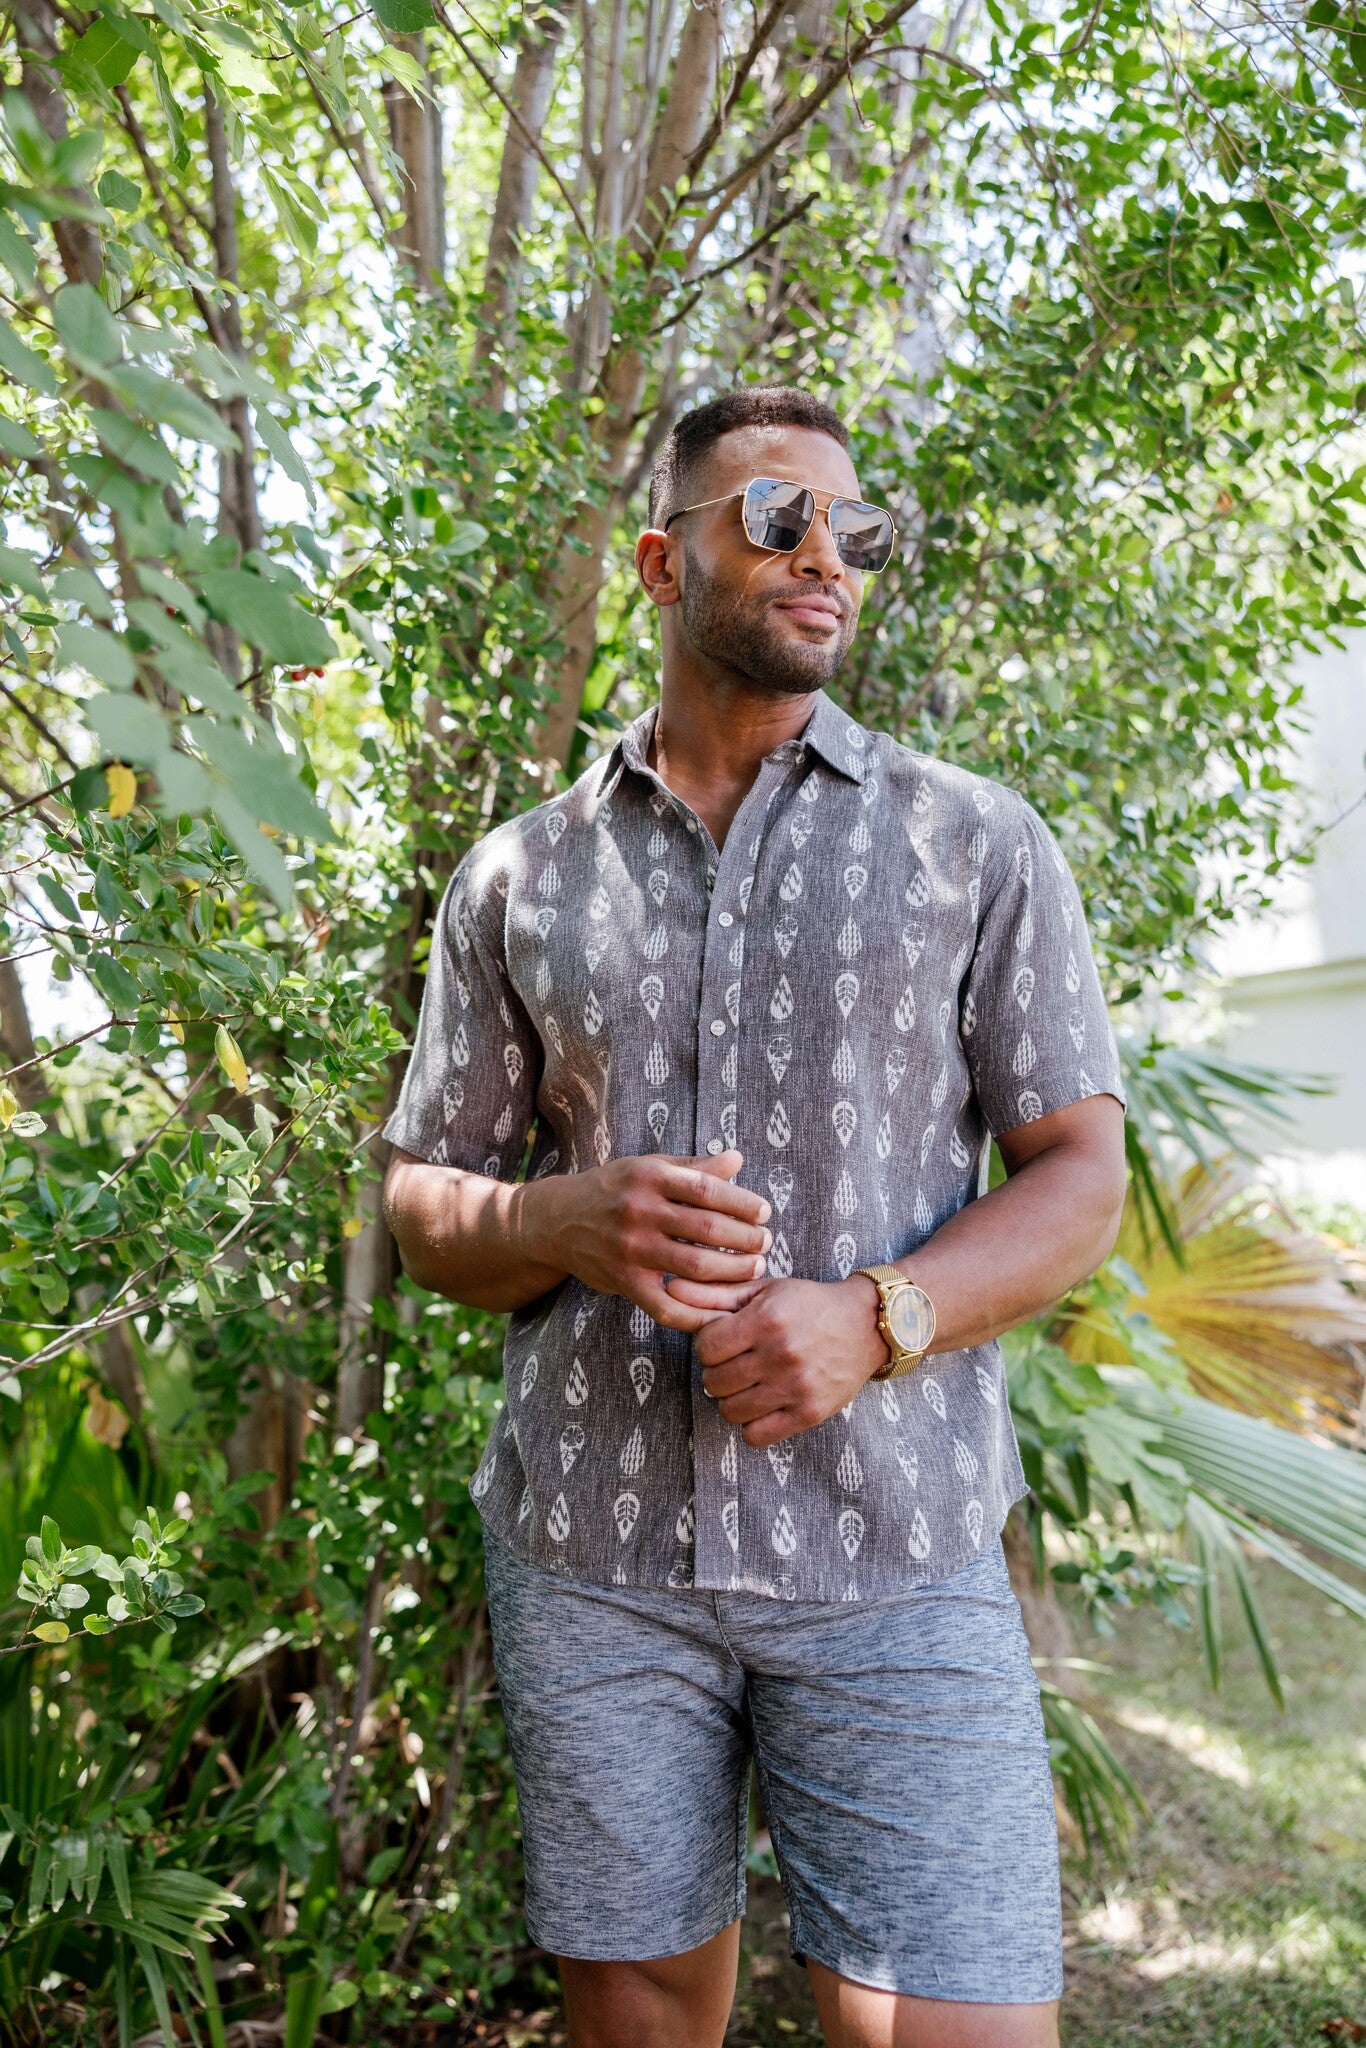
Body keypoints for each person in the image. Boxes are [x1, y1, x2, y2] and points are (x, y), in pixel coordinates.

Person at [382, 386, 1128, 2048]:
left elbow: (1081, 1176)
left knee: (963, 2021)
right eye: (778, 518)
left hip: (894, 1546)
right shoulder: (516, 878)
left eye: (854, 533)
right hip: (594, 1556)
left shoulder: (973, 843)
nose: (828, 560)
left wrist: (878, 1321)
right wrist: (562, 1218)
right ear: (663, 562)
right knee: (642, 2013)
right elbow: (424, 1205)